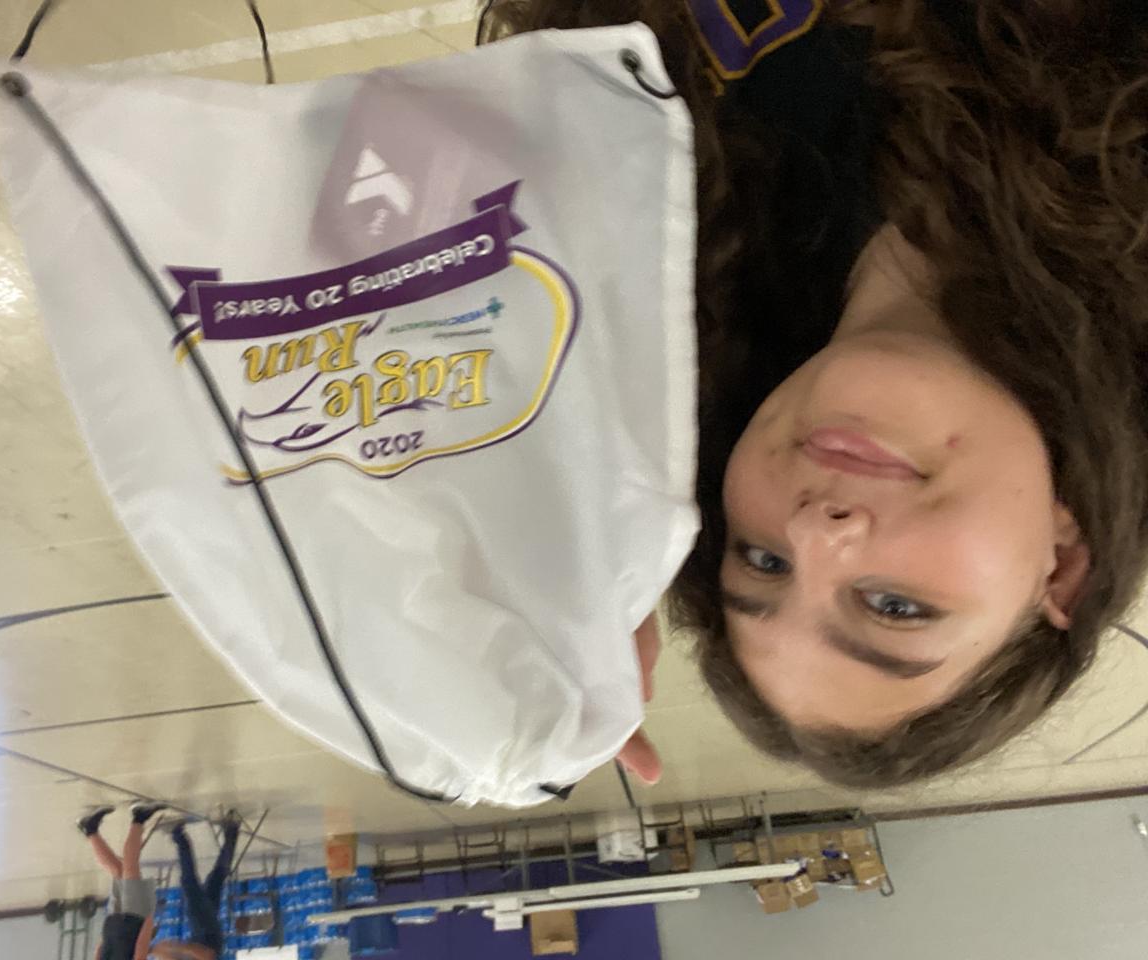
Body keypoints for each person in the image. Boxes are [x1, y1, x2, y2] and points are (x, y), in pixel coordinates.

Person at [480, 0, 1148, 787]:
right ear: (1061, 566)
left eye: (762, 560)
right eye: (895, 607)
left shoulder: (673, 236)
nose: (814, 533)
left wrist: (545, 473)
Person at [77, 801, 168, 960]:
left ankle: (139, 817)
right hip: (113, 927)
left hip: (131, 924)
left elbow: (140, 952)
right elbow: (97, 956)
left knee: (130, 867)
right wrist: (106, 938)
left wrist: (149, 920)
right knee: (118, 871)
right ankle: (90, 830)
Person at [147, 812, 241, 960]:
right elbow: (206, 955)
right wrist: (179, 947)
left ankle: (232, 830)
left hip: (205, 931)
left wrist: (153, 950)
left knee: (216, 878)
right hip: (204, 930)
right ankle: (178, 834)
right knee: (189, 883)